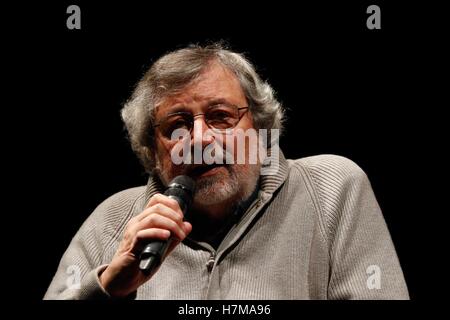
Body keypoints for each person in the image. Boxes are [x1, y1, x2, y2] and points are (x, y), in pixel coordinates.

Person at [44, 44, 409, 300]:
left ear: (260, 128)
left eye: (220, 116)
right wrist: (108, 288)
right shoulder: (112, 221)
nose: (200, 138)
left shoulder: (333, 189)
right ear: (153, 151)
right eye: (178, 124)